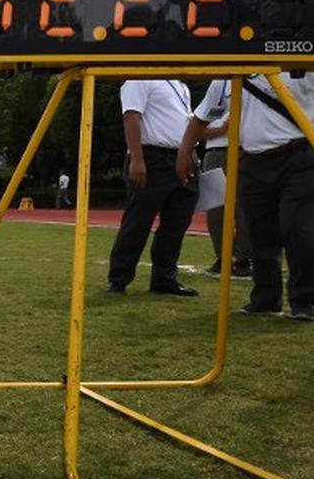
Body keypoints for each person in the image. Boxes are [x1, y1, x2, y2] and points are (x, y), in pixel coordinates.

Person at [177, 75, 314, 321]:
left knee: (298, 228)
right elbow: (202, 116)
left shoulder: (300, 64)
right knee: (258, 231)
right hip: (253, 158)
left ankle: (304, 300)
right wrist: (184, 151)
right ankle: (265, 298)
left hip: (299, 154)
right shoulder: (230, 73)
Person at [106, 79, 200, 296]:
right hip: (152, 155)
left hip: (182, 155)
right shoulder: (140, 78)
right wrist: (137, 158)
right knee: (138, 220)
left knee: (177, 222)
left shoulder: (181, 84)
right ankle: (119, 278)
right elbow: (131, 116)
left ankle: (164, 278)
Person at [197, 88, 252, 278]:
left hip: (245, 148)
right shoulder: (219, 86)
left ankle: (243, 259)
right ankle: (224, 258)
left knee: (244, 208)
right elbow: (200, 128)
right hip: (217, 151)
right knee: (215, 209)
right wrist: (221, 129)